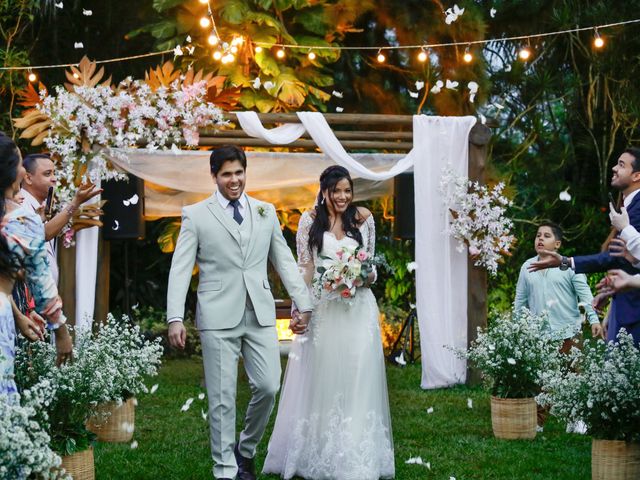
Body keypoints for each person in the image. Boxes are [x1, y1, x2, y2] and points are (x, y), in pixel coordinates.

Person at [166, 145, 312, 480]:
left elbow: (285, 262)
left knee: (268, 385)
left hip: (259, 313)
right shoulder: (196, 215)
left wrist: (303, 303)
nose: (234, 180)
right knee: (221, 397)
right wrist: (175, 317)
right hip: (217, 316)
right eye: (227, 174)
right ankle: (225, 470)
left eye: (239, 173)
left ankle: (244, 450)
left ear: (246, 172)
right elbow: (180, 269)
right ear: (214, 176)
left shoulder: (265, 211)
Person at [263, 166, 395, 480]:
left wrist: (363, 274)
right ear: (324, 191)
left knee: (358, 375)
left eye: (347, 190)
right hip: (324, 311)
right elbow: (305, 270)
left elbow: (370, 264)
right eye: (336, 191)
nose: (342, 197)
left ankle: (356, 453)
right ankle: (318, 449)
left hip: (357, 309)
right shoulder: (310, 221)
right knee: (322, 377)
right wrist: (300, 309)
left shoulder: (363, 218)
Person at [529, 148, 640, 345]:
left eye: (621, 165)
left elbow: (619, 257)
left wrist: (565, 261)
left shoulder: (637, 207)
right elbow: (626, 260)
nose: (614, 168)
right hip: (622, 304)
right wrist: (610, 294)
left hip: (633, 309)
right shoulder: (627, 206)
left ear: (637, 175)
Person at [0, 133, 72, 399]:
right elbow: (42, 282)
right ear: (11, 172)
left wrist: (18, 316)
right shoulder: (22, 219)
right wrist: (61, 332)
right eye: (19, 164)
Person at [515, 222, 603, 351]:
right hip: (537, 337)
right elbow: (520, 301)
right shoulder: (526, 267)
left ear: (557, 244)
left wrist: (594, 319)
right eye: (538, 235)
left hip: (569, 334)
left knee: (572, 371)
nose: (540, 238)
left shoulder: (569, 266)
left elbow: (585, 295)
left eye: (546, 236)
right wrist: (516, 328)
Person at [20, 153, 101, 285]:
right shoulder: (22, 203)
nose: (54, 179)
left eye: (53, 173)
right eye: (47, 174)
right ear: (28, 178)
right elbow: (43, 233)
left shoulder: (39, 205)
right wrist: (76, 202)